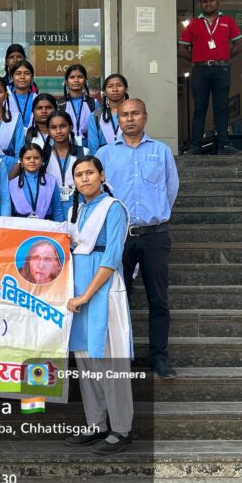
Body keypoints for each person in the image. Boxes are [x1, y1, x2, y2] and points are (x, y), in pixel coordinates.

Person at [95, 99, 179, 379]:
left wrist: (154, 216)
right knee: (119, 299)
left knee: (158, 299)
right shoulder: (105, 154)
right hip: (120, 237)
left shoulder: (161, 151)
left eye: (135, 114)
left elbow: (171, 189)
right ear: (117, 119)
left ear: (145, 117)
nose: (129, 119)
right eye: (124, 115)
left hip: (155, 235)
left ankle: (159, 356)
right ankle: (121, 356)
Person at [63, 155, 135, 455]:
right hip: (78, 288)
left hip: (102, 288)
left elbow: (112, 257)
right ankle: (96, 423)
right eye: (78, 174)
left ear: (102, 175)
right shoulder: (76, 210)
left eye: (90, 172)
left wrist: (86, 295)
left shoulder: (113, 207)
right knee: (86, 360)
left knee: (109, 358)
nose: (84, 178)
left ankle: (121, 428)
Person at [179, 0, 242, 154]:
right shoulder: (193, 24)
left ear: (218, 2)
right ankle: (195, 147)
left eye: (211, 0)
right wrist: (197, 59)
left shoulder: (228, 21)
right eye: (204, 2)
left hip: (222, 69)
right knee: (200, 107)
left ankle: (224, 145)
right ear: (200, 4)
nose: (208, 4)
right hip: (200, 70)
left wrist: (224, 57)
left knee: (222, 107)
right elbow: (181, 49)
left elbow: (238, 45)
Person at [44, 110, 87, 222]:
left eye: (63, 126)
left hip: (80, 212)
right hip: (52, 215)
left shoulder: (83, 153)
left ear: (71, 127)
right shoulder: (44, 157)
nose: (58, 131)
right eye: (53, 127)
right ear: (48, 130)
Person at [9, 144, 61, 221]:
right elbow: (9, 212)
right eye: (28, 158)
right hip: (20, 225)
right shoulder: (12, 184)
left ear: (42, 160)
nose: (32, 161)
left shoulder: (51, 181)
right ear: (21, 161)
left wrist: (59, 227)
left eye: (36, 158)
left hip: (46, 225)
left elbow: (57, 210)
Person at [88, 74, 129, 155]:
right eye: (110, 86)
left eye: (119, 85)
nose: (115, 89)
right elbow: (93, 146)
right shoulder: (96, 114)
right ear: (104, 92)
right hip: (103, 158)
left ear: (125, 89)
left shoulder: (132, 113)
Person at [59, 64, 95, 147]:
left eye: (80, 77)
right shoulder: (60, 103)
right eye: (72, 77)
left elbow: (97, 129)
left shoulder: (93, 103)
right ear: (66, 81)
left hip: (88, 145)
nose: (76, 80)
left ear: (85, 80)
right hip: (66, 145)